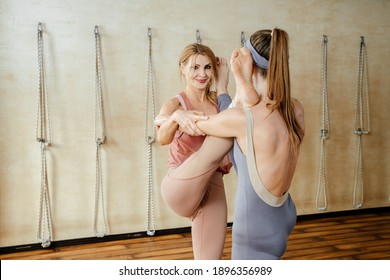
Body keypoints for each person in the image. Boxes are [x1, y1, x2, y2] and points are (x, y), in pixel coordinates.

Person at [166, 28, 305, 259]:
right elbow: (250, 110)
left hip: (254, 231)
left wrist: (174, 116)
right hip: (283, 215)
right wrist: (237, 86)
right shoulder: (296, 109)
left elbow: (199, 124)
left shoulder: (241, 119)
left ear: (248, 64)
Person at [155, 43, 233, 260]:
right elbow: (162, 138)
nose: (202, 74)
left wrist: (223, 84)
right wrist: (176, 117)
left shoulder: (219, 101)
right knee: (224, 129)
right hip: (180, 185)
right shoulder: (175, 104)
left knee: (210, 262)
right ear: (182, 67)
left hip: (213, 183)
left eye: (208, 67)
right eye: (195, 67)